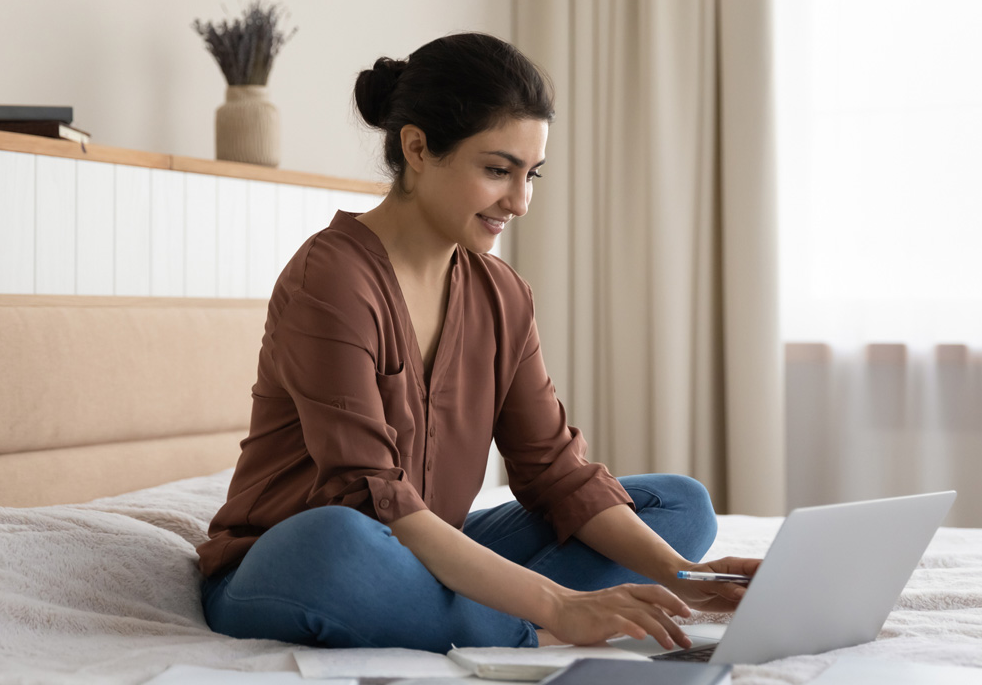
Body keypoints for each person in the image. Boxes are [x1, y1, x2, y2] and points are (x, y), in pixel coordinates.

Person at [196, 32, 760, 653]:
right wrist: (558, 602)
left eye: (531, 175)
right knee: (337, 542)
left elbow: (554, 472)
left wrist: (690, 578)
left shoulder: (502, 294)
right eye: (497, 171)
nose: (519, 202)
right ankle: (534, 630)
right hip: (300, 561)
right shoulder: (330, 280)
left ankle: (483, 615)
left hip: (427, 546)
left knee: (681, 505)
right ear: (417, 147)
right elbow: (368, 498)